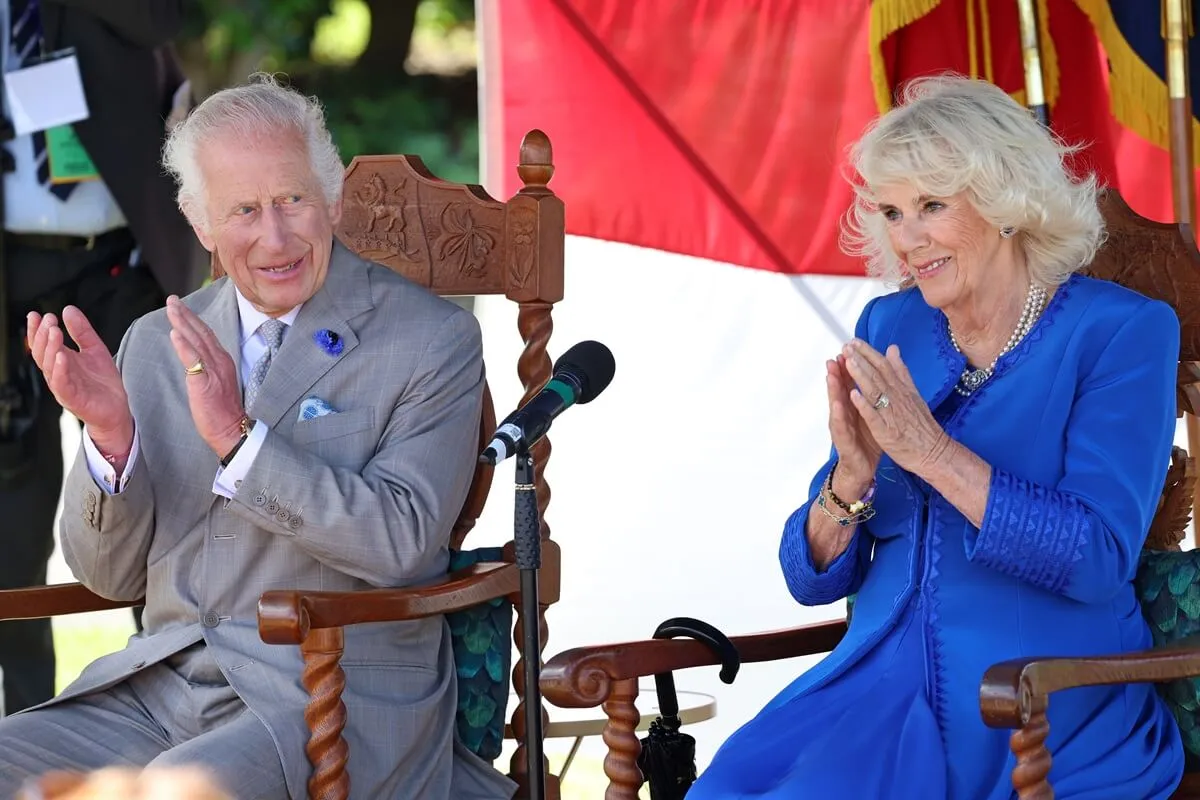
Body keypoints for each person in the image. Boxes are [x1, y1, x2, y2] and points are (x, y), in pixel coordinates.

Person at [0, 74, 516, 799]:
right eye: (243, 209)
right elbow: (106, 578)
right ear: (201, 222)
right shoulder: (155, 343)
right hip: (160, 690)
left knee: (177, 791)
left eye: (292, 200)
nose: (274, 237)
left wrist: (243, 444)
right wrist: (110, 441)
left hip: (331, 695)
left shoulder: (434, 339)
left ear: (331, 198)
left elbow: (404, 546)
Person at [687, 75, 1185, 799]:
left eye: (931, 206)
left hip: (1038, 696)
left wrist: (935, 457)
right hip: (877, 687)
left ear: (1007, 201)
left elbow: (1098, 558)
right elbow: (809, 578)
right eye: (891, 211)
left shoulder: (1121, 332)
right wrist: (848, 484)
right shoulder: (891, 327)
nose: (906, 238)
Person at [0, 0, 202, 715]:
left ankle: (173, 708)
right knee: (9, 522)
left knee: (154, 493)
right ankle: (22, 731)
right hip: (11, 272)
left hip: (121, 267)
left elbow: (165, 18)